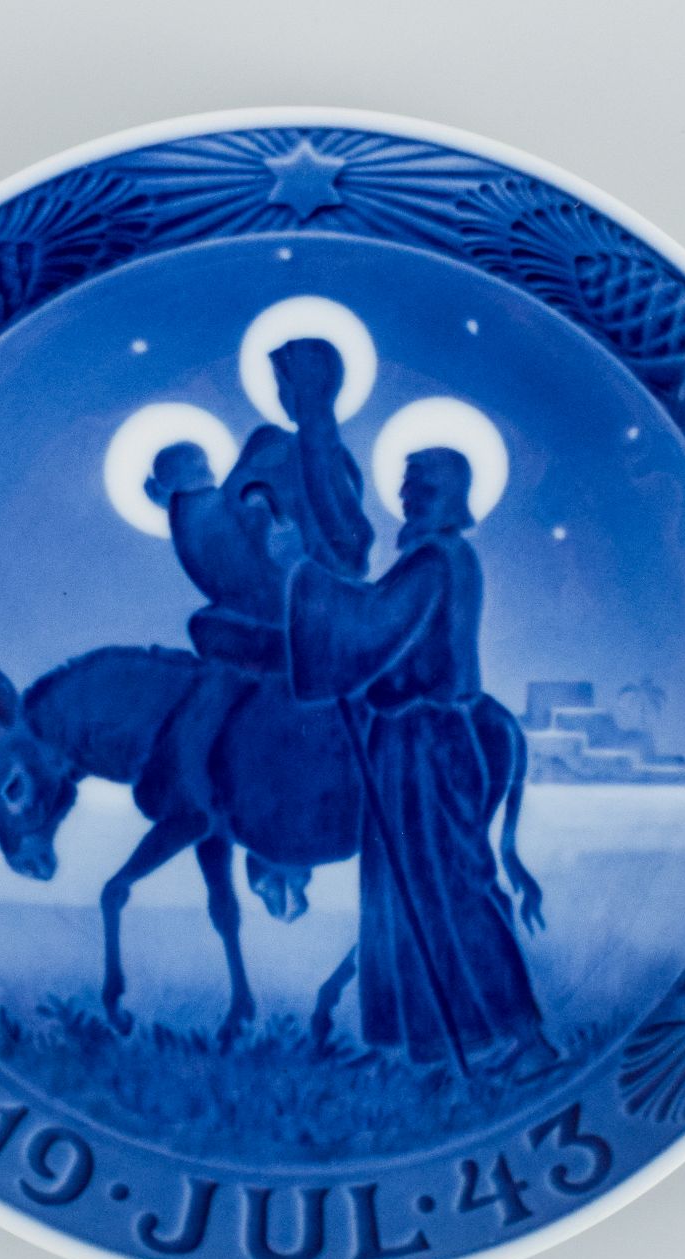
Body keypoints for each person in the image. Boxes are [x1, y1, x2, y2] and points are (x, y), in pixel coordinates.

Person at [269, 447, 557, 1073]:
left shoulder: (434, 561)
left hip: (428, 744)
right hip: (408, 742)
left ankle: (525, 1039)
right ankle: (416, 1044)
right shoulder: (437, 557)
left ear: (448, 492)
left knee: (453, 885)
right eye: (405, 485)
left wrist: (299, 570)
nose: (406, 496)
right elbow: (375, 617)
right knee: (398, 891)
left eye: (419, 486)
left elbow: (371, 624)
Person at [144, 337, 373, 676]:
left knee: (226, 634)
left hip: (306, 600)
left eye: (283, 385)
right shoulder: (266, 441)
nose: (279, 396)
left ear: (307, 388)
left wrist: (294, 554)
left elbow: (349, 545)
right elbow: (227, 509)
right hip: (252, 589)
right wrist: (180, 502)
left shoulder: (327, 462)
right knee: (209, 627)